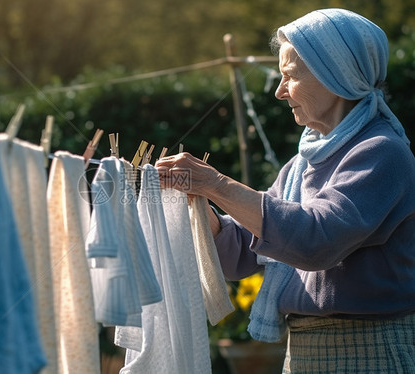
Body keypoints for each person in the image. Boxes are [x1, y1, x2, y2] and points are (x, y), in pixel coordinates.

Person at [156, 8, 415, 373]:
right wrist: (200, 203)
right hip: (304, 350)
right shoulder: (302, 164)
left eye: (289, 76)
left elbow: (316, 239)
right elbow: (240, 254)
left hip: (368, 347)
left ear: (334, 76)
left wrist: (216, 183)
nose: (279, 91)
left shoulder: (381, 152)